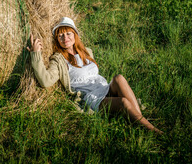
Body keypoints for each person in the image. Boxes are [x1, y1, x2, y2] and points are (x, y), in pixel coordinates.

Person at [27, 17, 163, 134]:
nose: (65, 38)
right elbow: (45, 81)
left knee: (119, 78)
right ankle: (152, 131)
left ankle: (139, 118)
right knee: (123, 102)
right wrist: (36, 54)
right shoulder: (59, 60)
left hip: (104, 88)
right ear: (57, 39)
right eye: (60, 35)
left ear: (75, 35)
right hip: (92, 98)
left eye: (68, 34)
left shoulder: (87, 52)